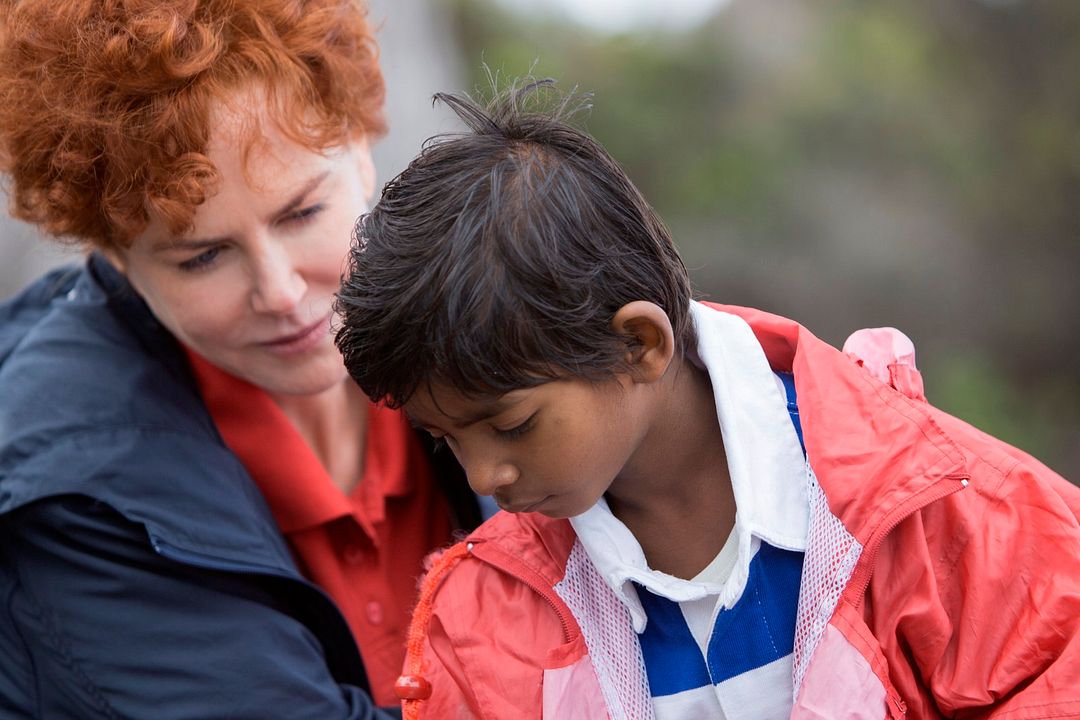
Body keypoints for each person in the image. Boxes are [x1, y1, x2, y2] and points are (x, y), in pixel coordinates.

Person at [334, 79, 1080, 720]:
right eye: (447, 439)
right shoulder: (482, 622)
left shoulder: (931, 505)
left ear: (639, 345)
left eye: (510, 425)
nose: (482, 476)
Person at [0, 2, 481, 718]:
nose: (282, 293)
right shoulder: (71, 490)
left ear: (360, 151)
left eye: (302, 214)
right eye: (203, 256)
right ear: (114, 259)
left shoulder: (492, 327)